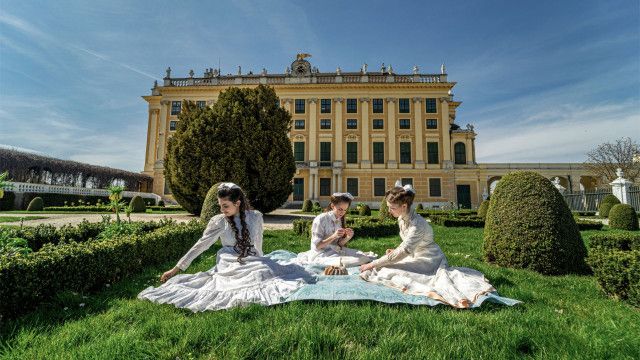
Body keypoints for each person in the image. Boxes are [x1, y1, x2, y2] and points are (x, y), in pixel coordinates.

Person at [138, 182, 311, 311]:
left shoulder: (255, 217)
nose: (222, 209)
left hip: (251, 257)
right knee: (231, 282)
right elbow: (201, 245)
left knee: (263, 272)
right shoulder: (218, 221)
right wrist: (176, 269)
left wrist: (262, 260)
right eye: (220, 205)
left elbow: (258, 244)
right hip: (229, 259)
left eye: (225, 206)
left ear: (238, 203)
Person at [359, 181, 496, 308]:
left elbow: (405, 250)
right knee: (384, 267)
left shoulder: (417, 224)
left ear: (404, 206)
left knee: (385, 269)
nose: (389, 211)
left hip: (430, 260)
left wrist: (372, 263)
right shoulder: (402, 218)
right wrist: (395, 250)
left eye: (392, 208)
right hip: (415, 255)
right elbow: (406, 245)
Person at [296, 192, 376, 268]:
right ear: (332, 206)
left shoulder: (339, 220)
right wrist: (333, 236)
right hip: (321, 254)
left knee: (364, 257)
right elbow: (317, 246)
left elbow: (339, 244)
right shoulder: (321, 219)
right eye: (340, 209)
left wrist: (348, 237)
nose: (342, 213)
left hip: (335, 251)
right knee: (360, 259)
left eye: (345, 210)